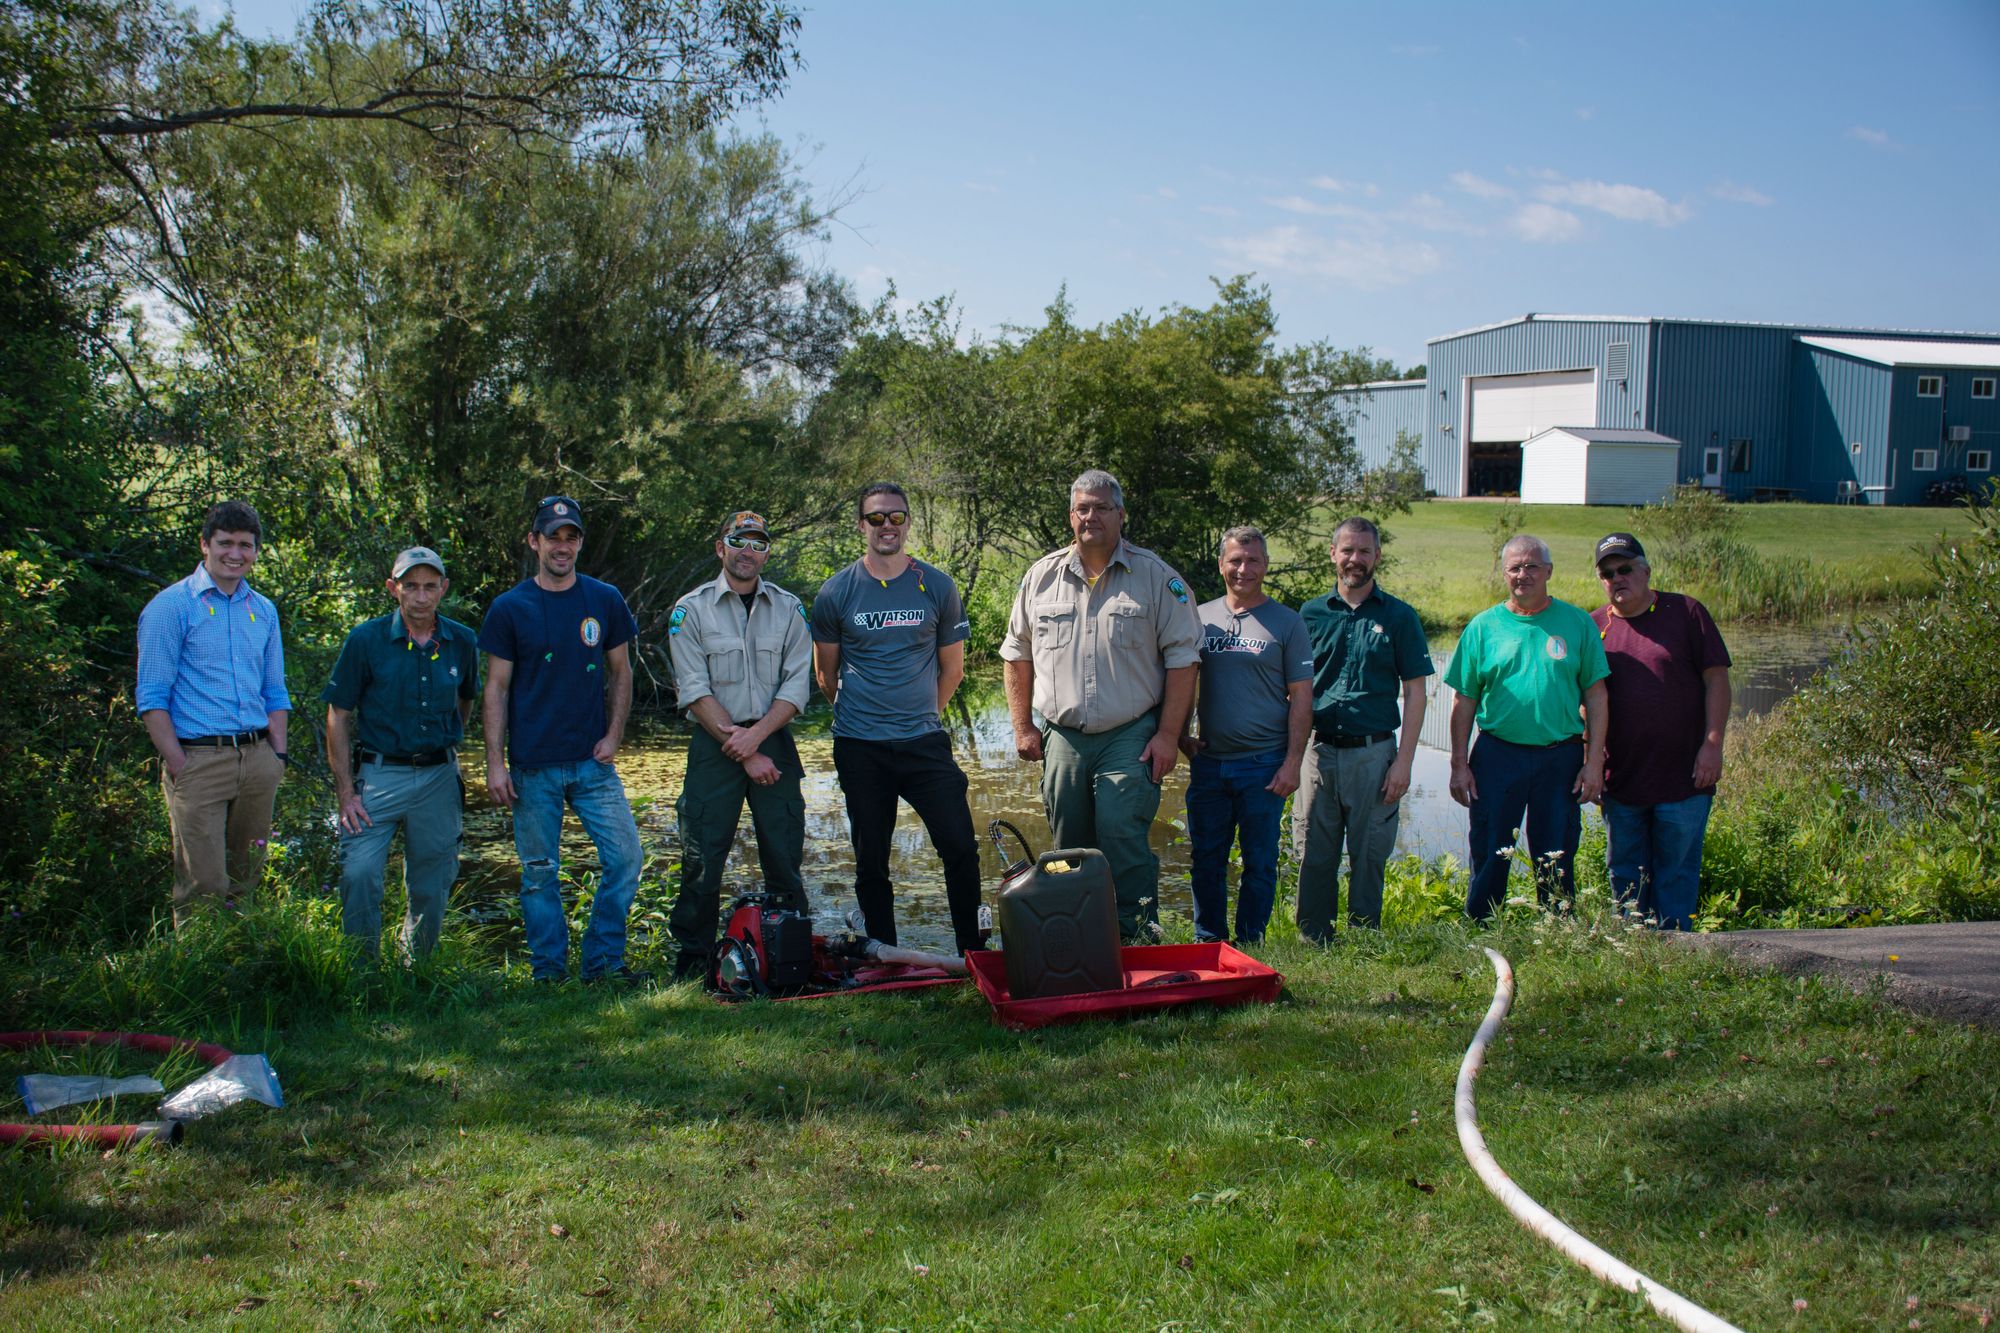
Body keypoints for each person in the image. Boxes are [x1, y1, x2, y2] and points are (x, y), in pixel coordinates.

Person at [1001, 469, 1203, 940]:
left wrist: (1168, 736)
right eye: (1082, 508)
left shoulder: (1156, 577)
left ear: (1121, 515)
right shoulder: (1041, 576)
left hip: (1130, 732)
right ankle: (1077, 937)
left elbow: (1183, 660)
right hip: (1063, 734)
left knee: (1121, 833)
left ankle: (1135, 937)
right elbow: (1017, 652)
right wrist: (1021, 727)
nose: (1091, 517)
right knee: (1067, 847)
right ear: (1071, 516)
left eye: (1102, 508)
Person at [811, 483, 984, 956]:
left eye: (896, 517)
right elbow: (826, 675)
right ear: (860, 525)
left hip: (923, 743)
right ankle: (884, 954)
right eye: (876, 518)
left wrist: (920, 713)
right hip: (859, 746)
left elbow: (953, 670)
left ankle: (973, 952)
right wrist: (865, 715)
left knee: (960, 847)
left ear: (908, 522)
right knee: (871, 860)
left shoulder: (937, 585)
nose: (887, 526)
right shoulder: (836, 591)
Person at [480, 496, 647, 985]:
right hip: (533, 767)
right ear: (534, 541)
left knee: (626, 859)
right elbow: (496, 688)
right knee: (538, 873)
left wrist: (614, 734)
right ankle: (548, 974)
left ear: (579, 543)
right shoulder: (510, 608)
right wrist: (495, 763)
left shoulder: (604, 599)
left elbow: (621, 672)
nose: (562, 545)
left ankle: (603, 965)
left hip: (593, 764)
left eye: (570, 536)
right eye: (553, 536)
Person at [666, 510, 813, 981]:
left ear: (767, 552)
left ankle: (788, 961)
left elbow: (797, 685)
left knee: (784, 857)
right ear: (720, 547)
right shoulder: (690, 610)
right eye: (739, 541)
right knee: (701, 860)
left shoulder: (790, 609)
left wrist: (758, 738)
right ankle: (692, 967)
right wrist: (746, 750)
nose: (749, 551)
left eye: (759, 543)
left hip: (775, 739)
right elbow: (692, 688)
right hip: (716, 745)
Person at [136, 500, 292, 926]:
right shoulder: (171, 608)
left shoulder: (262, 610)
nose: (235, 553)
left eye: (246, 545)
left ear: (257, 551)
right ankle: (201, 980)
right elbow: (152, 697)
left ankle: (241, 968)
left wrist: (276, 758)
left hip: (257, 758)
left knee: (246, 878)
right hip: (198, 760)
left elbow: (275, 691)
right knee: (203, 884)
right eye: (225, 543)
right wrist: (178, 763)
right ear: (205, 545)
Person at [322, 546, 480, 958]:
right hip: (378, 775)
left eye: (430, 587)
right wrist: (345, 793)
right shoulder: (365, 641)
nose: (421, 596)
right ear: (394, 589)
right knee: (359, 872)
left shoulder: (461, 641)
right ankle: (363, 973)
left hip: (438, 778)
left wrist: (449, 741)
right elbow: (338, 714)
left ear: (443, 589)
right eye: (411, 586)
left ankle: (417, 970)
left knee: (433, 881)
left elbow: (467, 701)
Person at [1445, 534, 1608, 921]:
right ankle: (1482, 928)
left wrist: (1594, 761)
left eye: (1532, 566)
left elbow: (1597, 696)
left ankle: (1556, 930)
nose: (1524, 574)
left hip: (1561, 756)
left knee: (1557, 850)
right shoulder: (1484, 627)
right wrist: (1458, 763)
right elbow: (1463, 701)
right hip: (1498, 754)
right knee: (1489, 847)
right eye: (1515, 567)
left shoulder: (1577, 623)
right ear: (1505, 573)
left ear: (1549, 571)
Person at [1292, 517, 1434, 940]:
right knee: (1313, 852)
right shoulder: (1310, 614)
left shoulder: (1400, 617)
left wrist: (1404, 762)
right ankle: (1313, 938)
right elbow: (1294, 690)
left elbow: (1416, 694)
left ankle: (1364, 939)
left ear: (1377, 556)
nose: (1356, 560)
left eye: (1365, 551)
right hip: (1317, 752)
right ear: (1333, 554)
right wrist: (1289, 755)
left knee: (1370, 853)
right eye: (1348, 551)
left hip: (1374, 754)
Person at [1589, 532, 1732, 931]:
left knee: (1676, 875)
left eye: (1625, 568)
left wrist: (1712, 744)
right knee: (1625, 877)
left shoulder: (1686, 612)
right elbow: (1587, 699)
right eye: (1608, 573)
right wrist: (1591, 761)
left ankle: (1676, 959)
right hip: (1623, 781)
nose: (1618, 578)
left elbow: (1716, 681)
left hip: (1685, 778)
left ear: (1646, 570)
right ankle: (1634, 959)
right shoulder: (1593, 626)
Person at [1180, 527, 1313, 945]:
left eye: (1253, 560)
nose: (1243, 569)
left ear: (1266, 565)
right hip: (1209, 763)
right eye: (1235, 560)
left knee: (1260, 861)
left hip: (1263, 765)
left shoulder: (1288, 623)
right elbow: (1181, 680)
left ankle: (1250, 942)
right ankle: (1210, 942)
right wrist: (1180, 734)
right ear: (1221, 564)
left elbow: (1302, 699)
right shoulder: (1199, 618)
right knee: (1206, 859)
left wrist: (1293, 762)